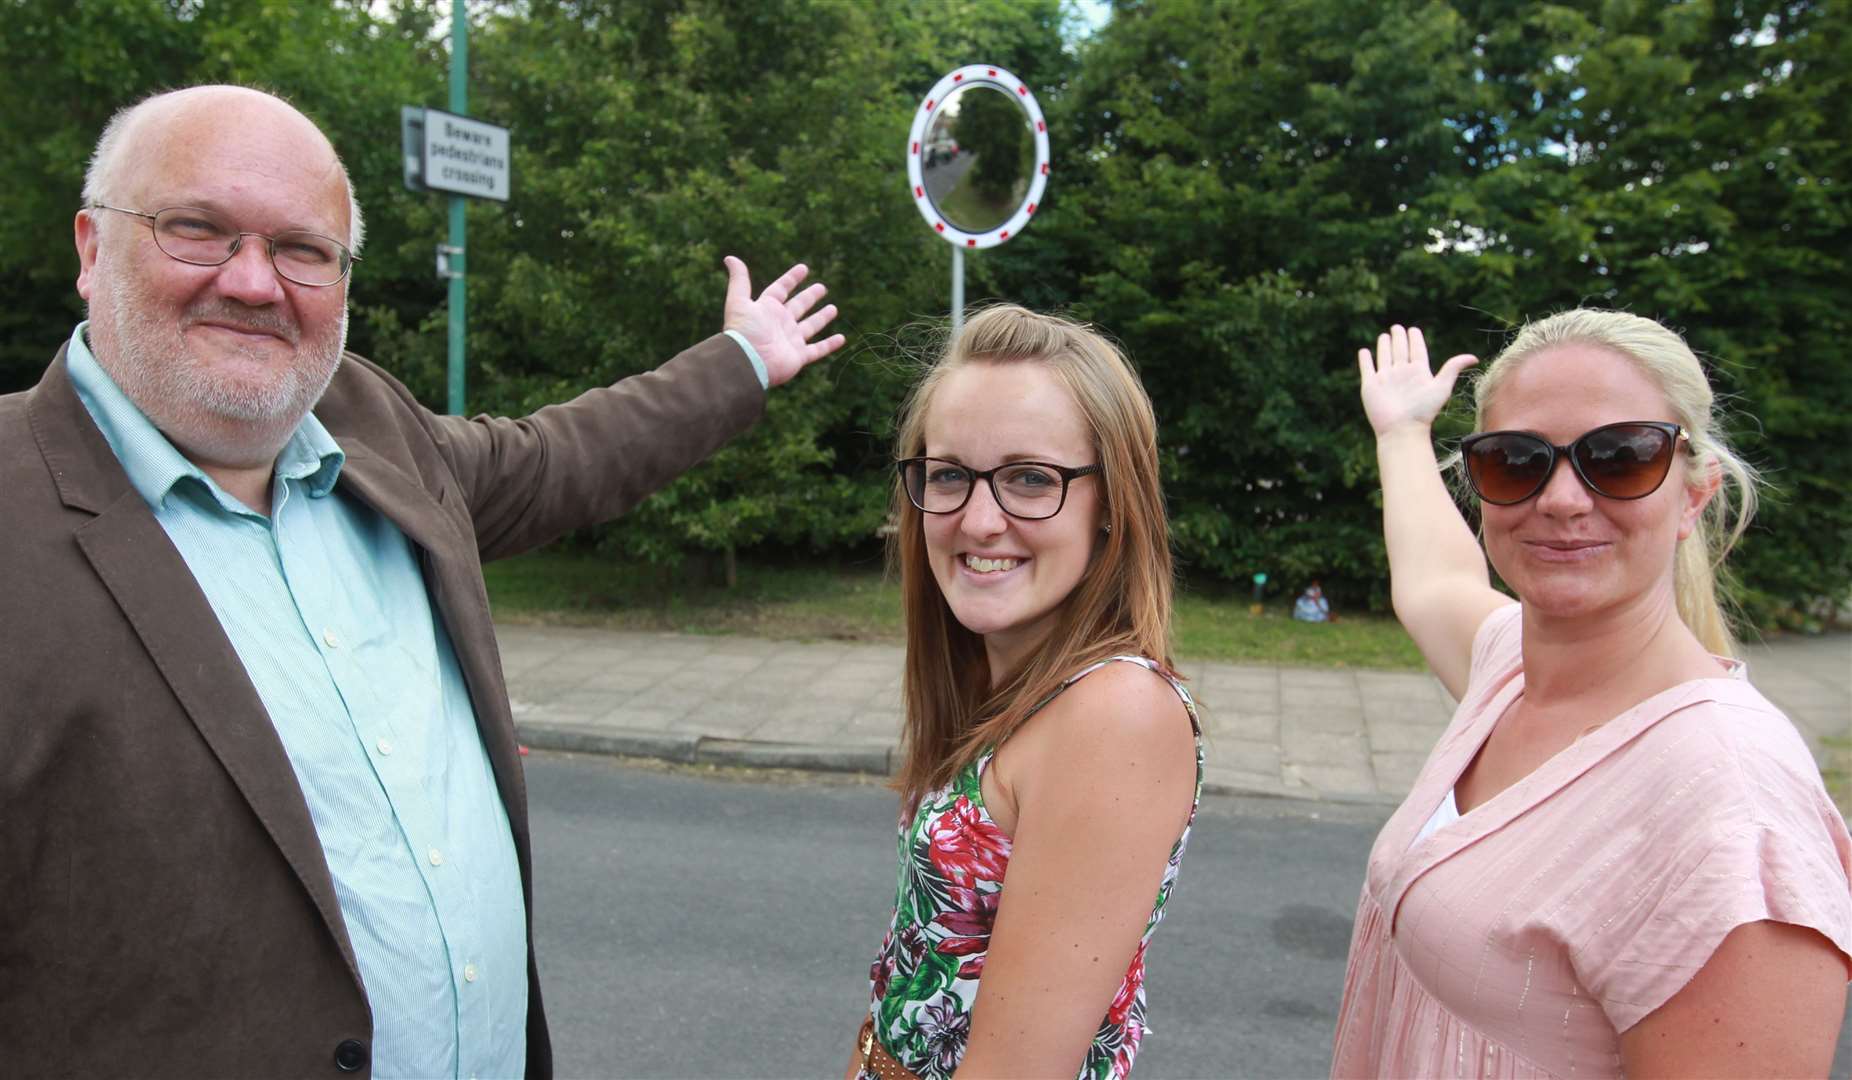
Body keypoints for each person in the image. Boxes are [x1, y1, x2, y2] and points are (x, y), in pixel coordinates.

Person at [0, 85, 843, 1078]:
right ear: (94, 248)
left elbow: (562, 455)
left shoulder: (370, 427)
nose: (256, 283)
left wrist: (740, 362)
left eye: (304, 250)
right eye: (199, 230)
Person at [1333, 316, 1852, 1077]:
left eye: (1620, 457)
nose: (1563, 499)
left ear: (1694, 494)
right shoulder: (1509, 668)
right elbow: (1434, 580)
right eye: (1517, 461)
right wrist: (1404, 433)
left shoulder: (1734, 802)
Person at [849, 306, 1203, 1080]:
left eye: (1030, 478)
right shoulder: (1007, 684)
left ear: (1113, 502)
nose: (978, 520)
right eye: (948, 474)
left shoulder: (1115, 717)